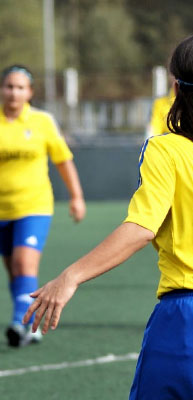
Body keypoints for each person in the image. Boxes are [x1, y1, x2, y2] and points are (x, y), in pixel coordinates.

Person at [23, 33, 193, 399]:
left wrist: (70, 276)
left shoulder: (166, 149)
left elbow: (141, 228)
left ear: (176, 89)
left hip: (192, 318)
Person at [0, 64, 86, 347]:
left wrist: (76, 196)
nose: (14, 93)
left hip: (33, 206)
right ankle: (32, 324)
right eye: (9, 86)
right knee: (14, 270)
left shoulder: (42, 122)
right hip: (2, 210)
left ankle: (18, 323)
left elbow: (63, 160)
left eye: (20, 87)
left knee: (25, 262)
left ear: (30, 93)